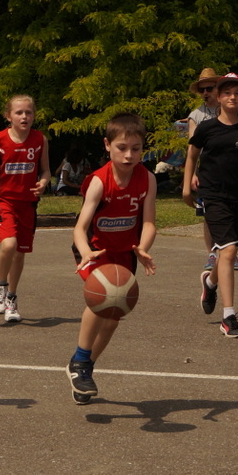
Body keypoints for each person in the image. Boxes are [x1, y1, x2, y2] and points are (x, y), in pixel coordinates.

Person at [65, 113, 157, 405]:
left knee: (114, 316)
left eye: (136, 148)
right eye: (122, 148)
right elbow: (80, 227)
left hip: (125, 253)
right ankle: (80, 361)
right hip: (95, 250)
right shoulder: (99, 181)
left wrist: (143, 248)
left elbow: (149, 222)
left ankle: (85, 368)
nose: (129, 155)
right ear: (107, 145)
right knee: (102, 298)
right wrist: (85, 251)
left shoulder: (147, 179)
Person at [183, 73, 238, 339]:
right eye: (227, 93)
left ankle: (210, 282)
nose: (233, 97)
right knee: (229, 250)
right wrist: (186, 187)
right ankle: (229, 316)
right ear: (218, 98)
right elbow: (192, 156)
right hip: (212, 194)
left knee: (226, 252)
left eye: (237, 93)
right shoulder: (206, 128)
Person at [0, 95, 50, 323]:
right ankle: (0, 285)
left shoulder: (40, 140)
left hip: (27, 203)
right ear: (9, 116)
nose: (24, 116)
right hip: (3, 200)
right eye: (19, 112)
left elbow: (46, 170)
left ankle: (11, 299)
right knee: (9, 244)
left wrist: (43, 183)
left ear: (34, 115)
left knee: (20, 253)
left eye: (28, 112)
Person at [186, 67, 238, 271]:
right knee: (209, 215)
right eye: (202, 90)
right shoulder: (196, 115)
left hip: (231, 172)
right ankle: (212, 253)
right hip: (208, 171)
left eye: (209, 88)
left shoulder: (229, 109)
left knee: (233, 213)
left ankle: (230, 253)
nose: (205, 93)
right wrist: (193, 174)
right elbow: (192, 149)